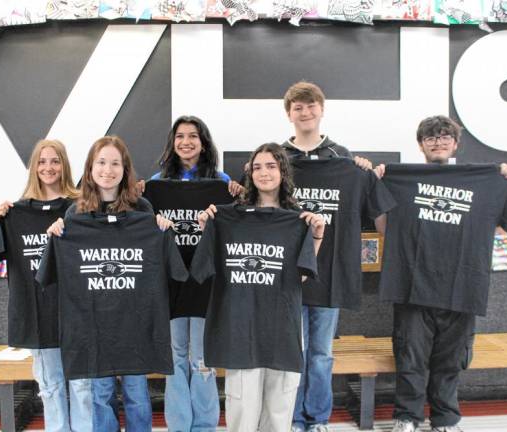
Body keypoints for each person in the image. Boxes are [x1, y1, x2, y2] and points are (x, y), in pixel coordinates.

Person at [374, 115, 507, 432]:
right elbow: (383, 225)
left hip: (462, 284)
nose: (437, 141)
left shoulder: (489, 180)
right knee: (409, 357)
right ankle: (407, 417)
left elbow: (500, 226)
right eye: (430, 137)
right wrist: (378, 179)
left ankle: (445, 419)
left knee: (450, 360)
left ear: (455, 143)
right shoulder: (398, 180)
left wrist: (504, 180)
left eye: (443, 136)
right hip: (412, 283)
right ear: (421, 144)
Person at [195, 143, 325, 431]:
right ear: (249, 173)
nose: (263, 172)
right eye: (257, 167)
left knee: (279, 413)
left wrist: (316, 236)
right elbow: (207, 266)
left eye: (271, 166)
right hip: (241, 328)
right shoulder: (229, 217)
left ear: (283, 171)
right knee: (242, 413)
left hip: (282, 327)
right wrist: (209, 228)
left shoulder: (299, 219)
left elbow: (300, 277)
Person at [47, 136, 172, 432]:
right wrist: (57, 233)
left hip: (134, 323)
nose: (108, 169)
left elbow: (158, 261)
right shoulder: (75, 213)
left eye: (115, 163)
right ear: (90, 168)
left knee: (137, 394)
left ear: (125, 169)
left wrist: (162, 228)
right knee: (100, 394)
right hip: (95, 326)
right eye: (101, 162)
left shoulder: (141, 208)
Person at [281, 81, 373, 432]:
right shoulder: (278, 158)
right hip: (289, 276)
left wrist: (365, 170)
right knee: (293, 354)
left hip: (329, 276)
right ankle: (292, 418)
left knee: (320, 355)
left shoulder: (343, 158)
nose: (305, 112)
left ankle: (317, 419)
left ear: (322, 109)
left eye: (311, 105)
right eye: (298, 107)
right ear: (289, 114)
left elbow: (368, 204)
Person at [0, 139, 92, 432]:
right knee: (50, 388)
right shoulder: (15, 214)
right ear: (34, 167)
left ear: (65, 165)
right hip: (39, 318)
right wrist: (1, 221)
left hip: (78, 313)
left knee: (83, 389)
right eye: (43, 161)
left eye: (55, 161)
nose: (49, 167)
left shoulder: (81, 208)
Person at [149, 115, 241, 432]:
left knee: (202, 357)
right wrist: (136, 194)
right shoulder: (156, 183)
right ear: (172, 143)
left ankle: (203, 425)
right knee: (175, 356)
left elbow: (240, 218)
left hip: (205, 280)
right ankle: (179, 424)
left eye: (193, 136)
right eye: (180, 136)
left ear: (203, 143)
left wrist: (238, 193)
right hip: (171, 281)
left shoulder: (221, 182)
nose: (186, 142)